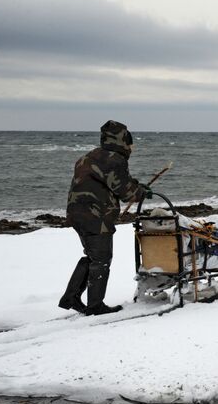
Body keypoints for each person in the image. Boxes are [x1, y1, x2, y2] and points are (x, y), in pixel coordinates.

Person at [59, 120, 151, 316]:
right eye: (129, 142)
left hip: (76, 214)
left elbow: (109, 182)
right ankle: (95, 306)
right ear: (123, 140)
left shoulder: (88, 156)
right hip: (96, 218)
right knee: (101, 260)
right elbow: (126, 192)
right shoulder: (114, 159)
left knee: (93, 256)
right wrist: (141, 192)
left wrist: (135, 185)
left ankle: (71, 297)